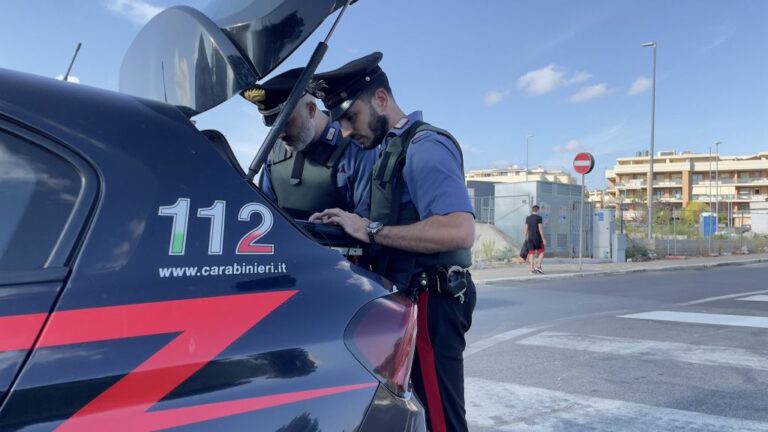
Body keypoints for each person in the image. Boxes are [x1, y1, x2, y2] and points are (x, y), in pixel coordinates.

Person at [309, 52, 476, 432]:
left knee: (441, 420)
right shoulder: (382, 152)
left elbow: (459, 230)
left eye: (351, 118)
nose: (346, 132)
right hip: (406, 301)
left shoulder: (425, 146)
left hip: (432, 302)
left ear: (381, 100)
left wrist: (370, 230)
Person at [242, 68, 377, 219]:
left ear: (311, 110)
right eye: (274, 126)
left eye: (286, 123)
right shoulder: (273, 152)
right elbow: (265, 213)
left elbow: (368, 223)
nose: (279, 134)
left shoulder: (356, 150)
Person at [524, 205, 546, 273]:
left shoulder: (528, 218)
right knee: (541, 252)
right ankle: (538, 267)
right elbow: (540, 229)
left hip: (530, 238)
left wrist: (525, 237)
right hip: (537, 238)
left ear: (532, 210)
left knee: (531, 253)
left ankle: (531, 269)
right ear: (538, 210)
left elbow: (526, 228)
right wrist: (543, 238)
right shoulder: (539, 218)